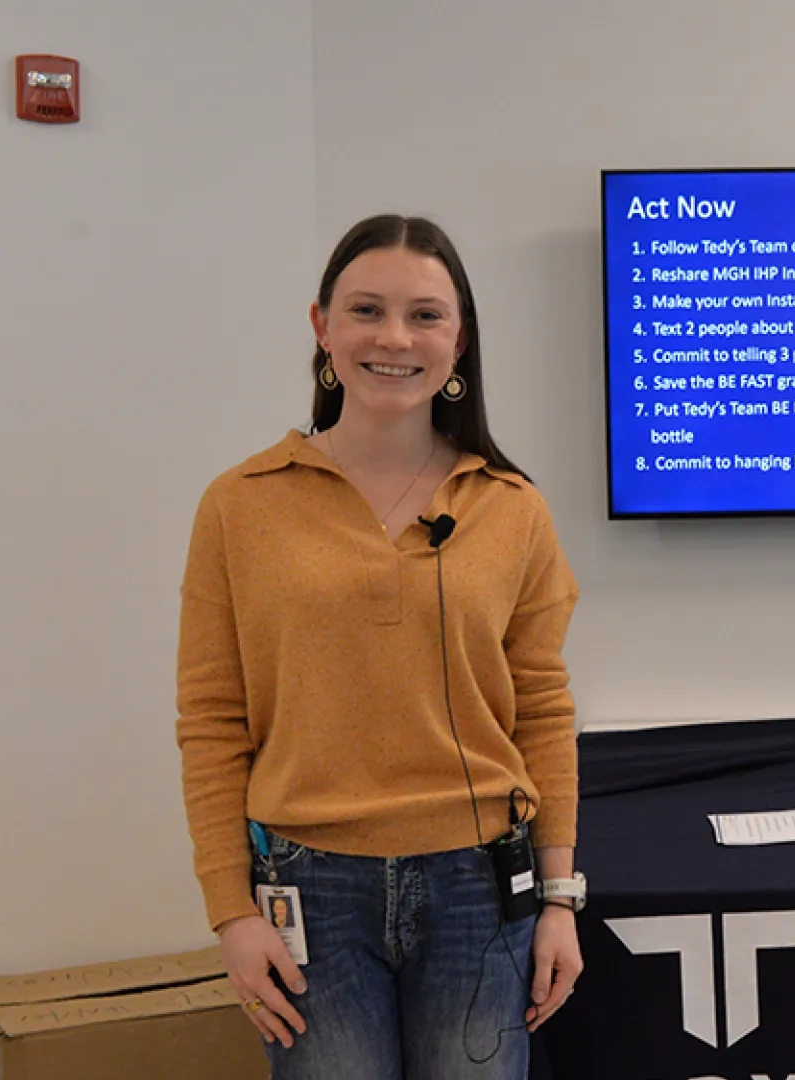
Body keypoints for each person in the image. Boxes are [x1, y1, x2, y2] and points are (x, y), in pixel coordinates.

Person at [175, 214, 583, 1079]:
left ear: (459, 340)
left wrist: (560, 898)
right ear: (322, 327)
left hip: (481, 890)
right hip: (306, 890)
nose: (394, 338)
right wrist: (232, 916)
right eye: (367, 310)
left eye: (425, 316)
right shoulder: (240, 505)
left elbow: (543, 707)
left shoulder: (512, 508)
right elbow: (212, 721)